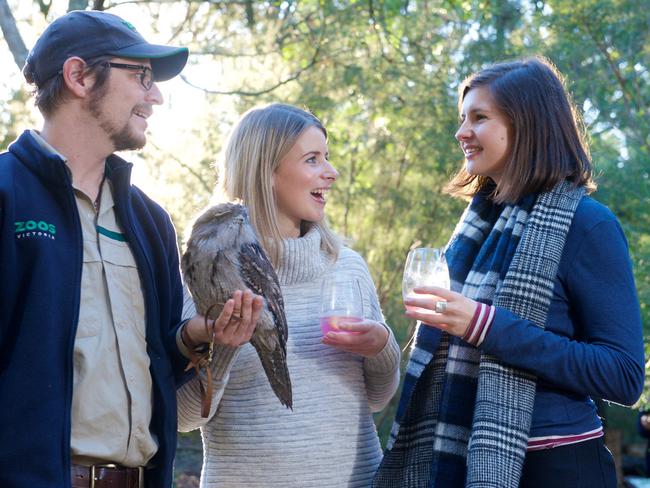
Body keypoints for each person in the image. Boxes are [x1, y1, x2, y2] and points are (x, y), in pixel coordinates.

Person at [0, 10, 262, 488]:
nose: (156, 96)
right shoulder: (6, 195)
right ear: (79, 76)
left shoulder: (150, 221)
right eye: (141, 76)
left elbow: (155, 360)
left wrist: (198, 335)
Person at [373, 56, 644, 488]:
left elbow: (623, 376)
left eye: (479, 118)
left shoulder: (587, 224)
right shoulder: (480, 225)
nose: (462, 132)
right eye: (463, 118)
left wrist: (485, 326)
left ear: (528, 125)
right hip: (462, 459)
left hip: (556, 467)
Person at [177, 103, 401, 487]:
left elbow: (379, 398)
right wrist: (225, 346)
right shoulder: (201, 271)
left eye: (326, 158)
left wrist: (381, 346)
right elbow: (183, 417)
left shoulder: (346, 267)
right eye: (313, 159)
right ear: (265, 170)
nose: (331, 173)